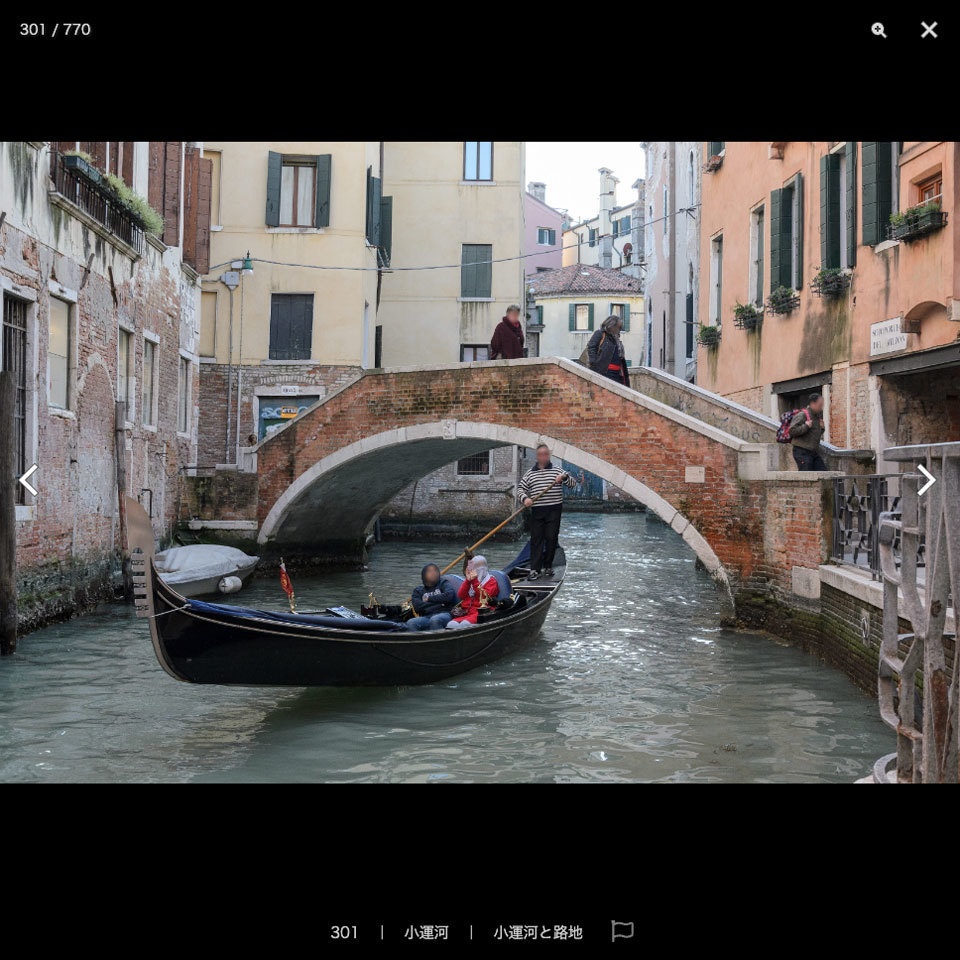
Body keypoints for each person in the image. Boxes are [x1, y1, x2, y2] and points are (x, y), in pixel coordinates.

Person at [517, 443, 580, 580]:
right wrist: (525, 499)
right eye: (541, 455)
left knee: (551, 538)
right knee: (536, 539)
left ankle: (548, 566)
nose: (543, 457)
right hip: (538, 510)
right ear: (537, 456)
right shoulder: (530, 473)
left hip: (554, 509)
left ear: (549, 455)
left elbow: (573, 484)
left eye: (546, 454)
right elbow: (520, 489)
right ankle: (535, 569)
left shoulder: (558, 471)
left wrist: (563, 479)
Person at [446, 555, 499, 629]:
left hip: (482, 612)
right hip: (467, 612)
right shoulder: (470, 580)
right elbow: (461, 595)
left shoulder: (491, 581)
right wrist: (468, 581)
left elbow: (484, 597)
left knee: (465, 624)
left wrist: (474, 581)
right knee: (451, 624)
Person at [404, 563, 458, 631]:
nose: (433, 573)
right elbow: (417, 607)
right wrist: (440, 603)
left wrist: (429, 599)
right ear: (424, 575)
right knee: (411, 623)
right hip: (426, 617)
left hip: (444, 614)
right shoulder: (418, 590)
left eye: (435, 570)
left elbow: (449, 596)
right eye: (429, 571)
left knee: (435, 619)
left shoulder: (443, 583)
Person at [788, 394, 828, 471]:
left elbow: (814, 434)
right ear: (813, 404)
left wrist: (822, 428)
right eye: (820, 405)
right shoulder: (802, 415)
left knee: (824, 473)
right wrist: (806, 426)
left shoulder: (817, 417)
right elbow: (792, 431)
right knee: (806, 477)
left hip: (813, 452)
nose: (821, 408)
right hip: (802, 452)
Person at [586, 315, 629, 386]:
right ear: (611, 325)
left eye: (620, 327)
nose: (618, 330)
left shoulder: (616, 338)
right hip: (604, 372)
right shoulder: (600, 333)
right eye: (617, 327)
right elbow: (591, 347)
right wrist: (594, 363)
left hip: (617, 373)